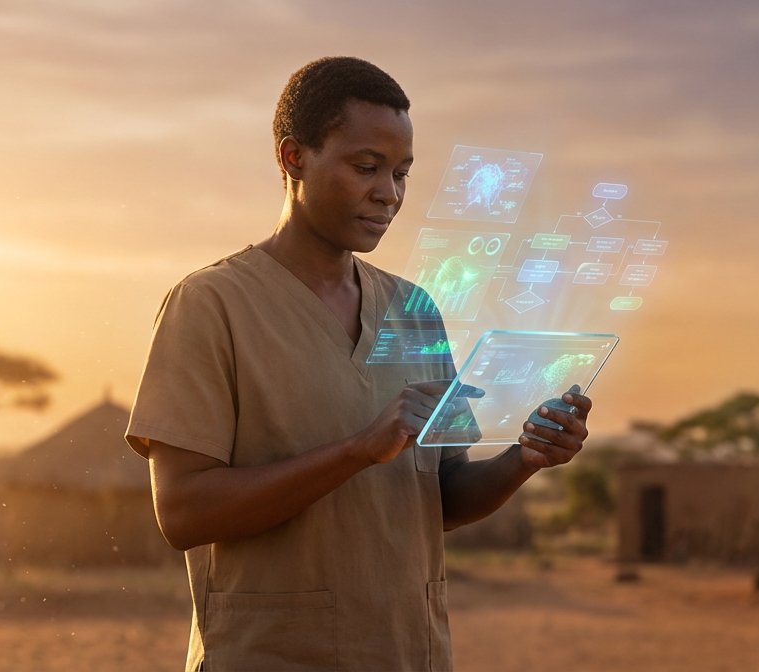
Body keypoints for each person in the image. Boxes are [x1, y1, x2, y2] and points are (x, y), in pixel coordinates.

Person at [124, 56, 593, 672]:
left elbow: (442, 500)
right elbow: (183, 513)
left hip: (408, 654)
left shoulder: (414, 310)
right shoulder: (211, 305)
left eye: (401, 173)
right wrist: (357, 450)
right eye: (366, 167)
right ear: (295, 157)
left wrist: (524, 458)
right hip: (267, 655)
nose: (389, 193)